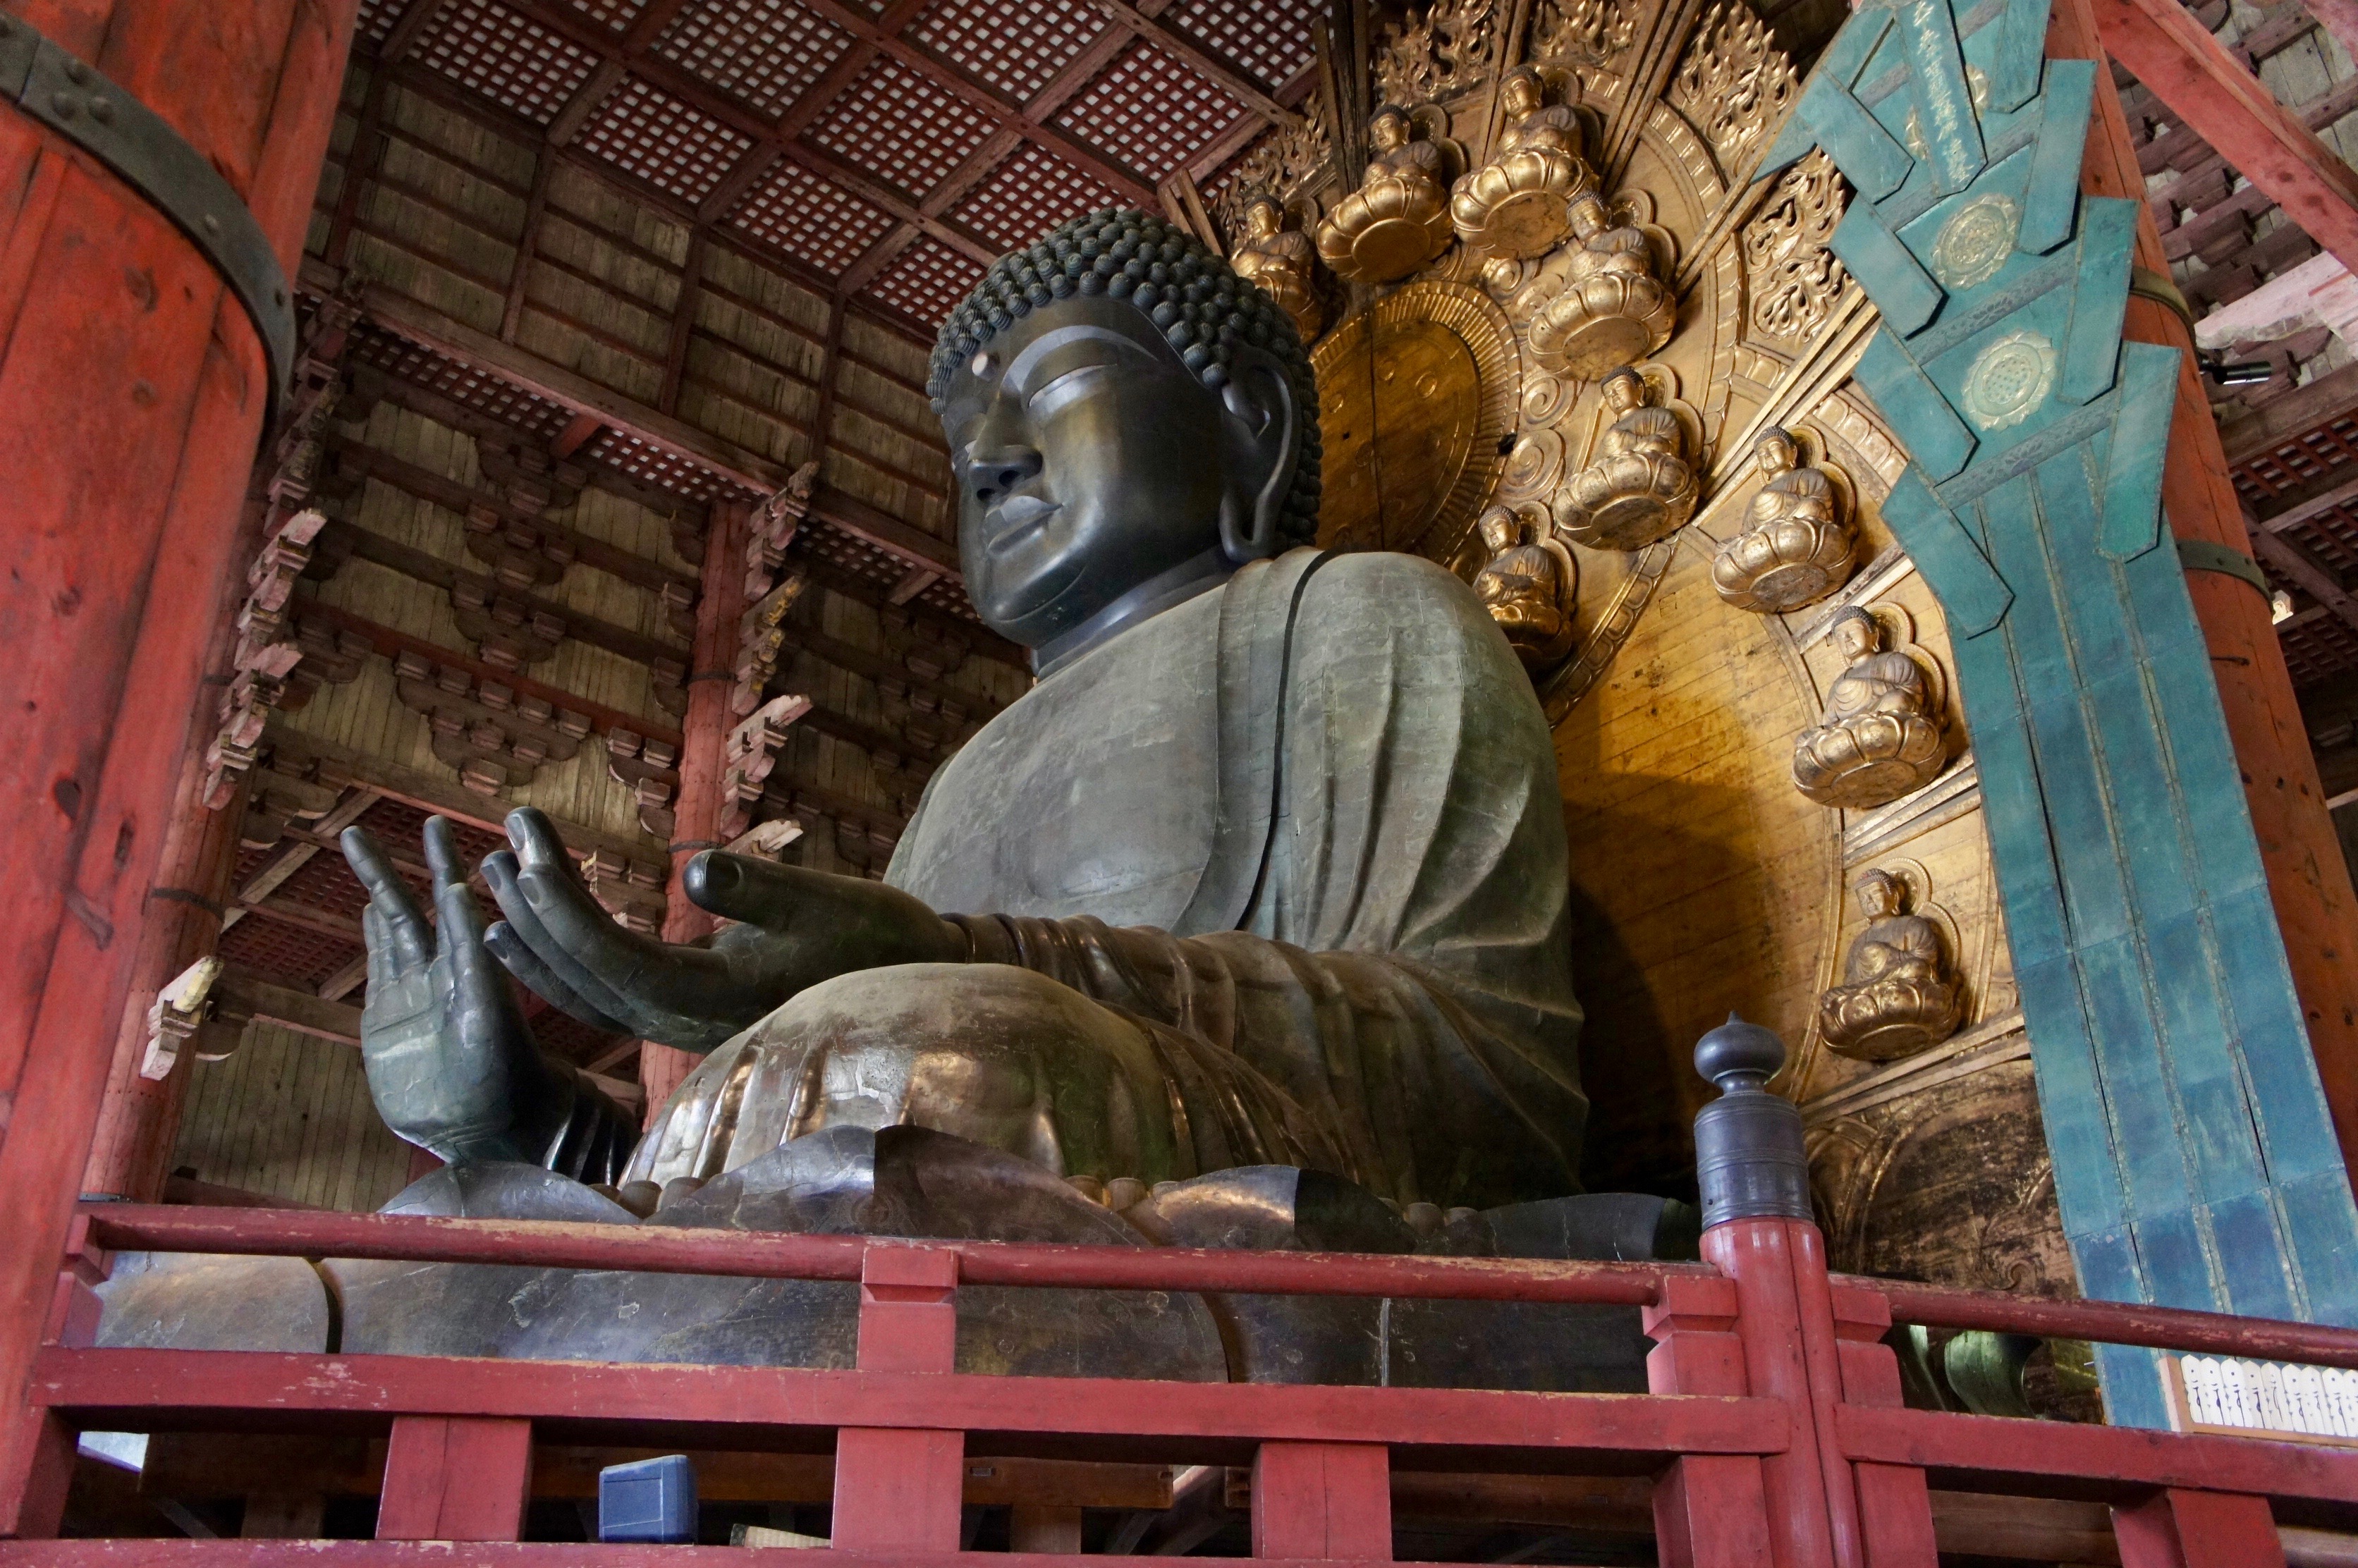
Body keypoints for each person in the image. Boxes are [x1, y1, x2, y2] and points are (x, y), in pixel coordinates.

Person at [343, 209, 1589, 1216]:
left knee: (925, 1041)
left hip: (1240, 1185)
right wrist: (525, 1123)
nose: (990, 457)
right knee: (444, 1218)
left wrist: (970, 962)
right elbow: (813, 1141)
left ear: (1247, 422)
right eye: (966, 438)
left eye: (1054, 388)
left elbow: (1493, 1090)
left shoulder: (1362, 618)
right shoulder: (968, 773)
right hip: (987, 1160)